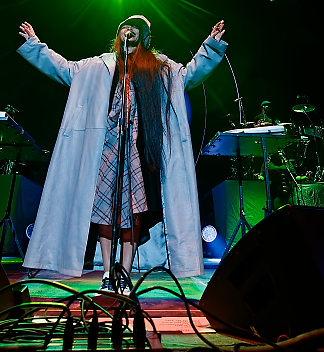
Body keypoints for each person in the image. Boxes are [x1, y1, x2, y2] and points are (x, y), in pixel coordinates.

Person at [17, 15, 227, 294]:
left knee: (134, 214)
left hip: (140, 151)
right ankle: (107, 272)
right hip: (106, 149)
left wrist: (210, 45)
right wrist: (35, 45)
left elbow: (189, 74)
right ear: (118, 34)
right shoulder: (97, 66)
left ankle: (125, 272)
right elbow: (64, 68)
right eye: (125, 26)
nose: (129, 30)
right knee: (105, 212)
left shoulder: (160, 67)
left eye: (136, 28)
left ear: (145, 37)